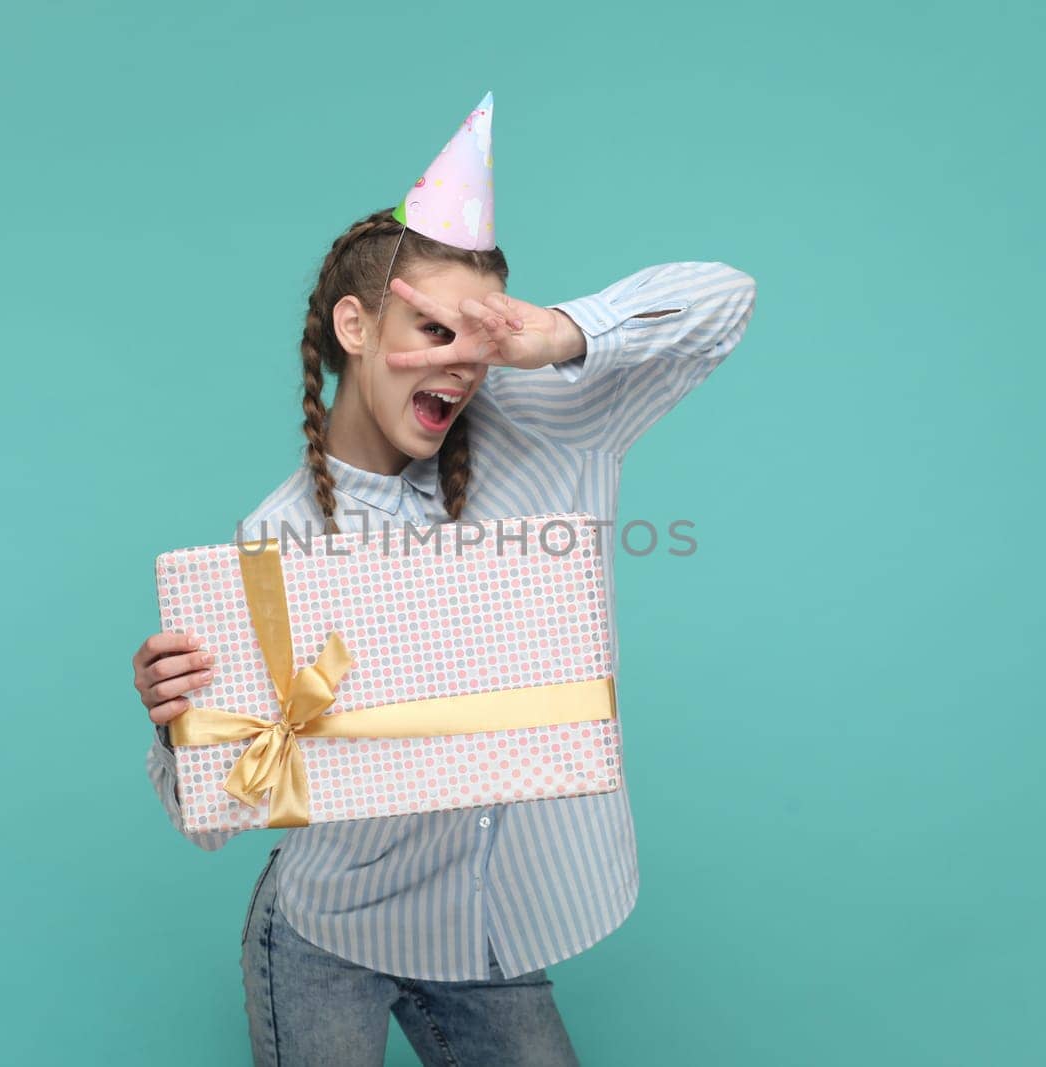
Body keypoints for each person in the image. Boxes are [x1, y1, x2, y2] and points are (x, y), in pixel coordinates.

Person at [130, 94, 758, 1065]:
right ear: (354, 323)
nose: (461, 362)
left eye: (481, 331)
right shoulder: (275, 538)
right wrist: (176, 722)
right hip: (328, 927)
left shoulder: (553, 425)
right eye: (430, 328)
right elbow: (212, 814)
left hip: (484, 930)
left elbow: (723, 297)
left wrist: (554, 334)